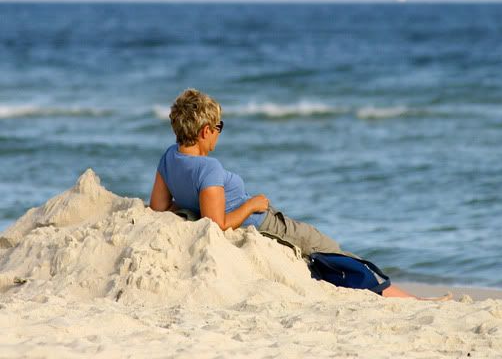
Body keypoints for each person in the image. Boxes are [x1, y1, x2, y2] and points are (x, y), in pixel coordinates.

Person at [150, 88, 450, 300]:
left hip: (256, 223)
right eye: (219, 126)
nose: (219, 133)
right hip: (265, 225)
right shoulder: (208, 168)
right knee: (331, 251)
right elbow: (216, 224)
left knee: (326, 255)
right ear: (205, 132)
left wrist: (194, 203)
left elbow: (159, 205)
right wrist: (251, 204)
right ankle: (410, 302)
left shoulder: (170, 156)